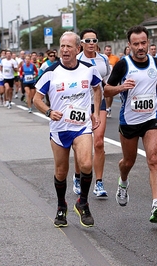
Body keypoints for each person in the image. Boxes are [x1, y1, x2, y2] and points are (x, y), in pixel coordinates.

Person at [33, 31, 102, 228]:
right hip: (59, 129)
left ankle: (82, 203)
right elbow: (36, 99)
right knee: (61, 172)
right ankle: (61, 205)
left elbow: (97, 88)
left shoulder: (89, 70)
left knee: (87, 164)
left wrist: (96, 111)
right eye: (62, 46)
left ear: (77, 49)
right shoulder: (50, 72)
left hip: (81, 127)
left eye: (69, 46)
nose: (64, 50)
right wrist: (48, 112)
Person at [104, 25, 157, 223]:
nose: (140, 47)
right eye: (136, 44)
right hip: (130, 121)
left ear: (148, 42)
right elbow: (106, 90)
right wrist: (122, 87)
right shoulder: (123, 65)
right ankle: (123, 182)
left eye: (143, 43)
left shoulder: (155, 62)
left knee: (154, 159)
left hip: (151, 118)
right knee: (128, 162)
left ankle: (156, 204)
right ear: (129, 45)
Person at [72, 28, 111, 198]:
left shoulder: (103, 59)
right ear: (81, 44)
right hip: (80, 104)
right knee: (80, 144)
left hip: (98, 103)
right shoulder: (76, 60)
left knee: (99, 142)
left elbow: (107, 82)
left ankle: (99, 183)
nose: (91, 44)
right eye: (87, 41)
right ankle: (78, 176)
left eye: (94, 40)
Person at [103, 44, 120, 118]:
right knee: (103, 94)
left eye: (109, 50)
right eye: (107, 50)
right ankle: (103, 108)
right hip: (103, 77)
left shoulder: (115, 58)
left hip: (111, 78)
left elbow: (119, 67)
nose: (108, 51)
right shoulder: (101, 57)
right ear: (104, 50)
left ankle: (108, 108)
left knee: (110, 94)